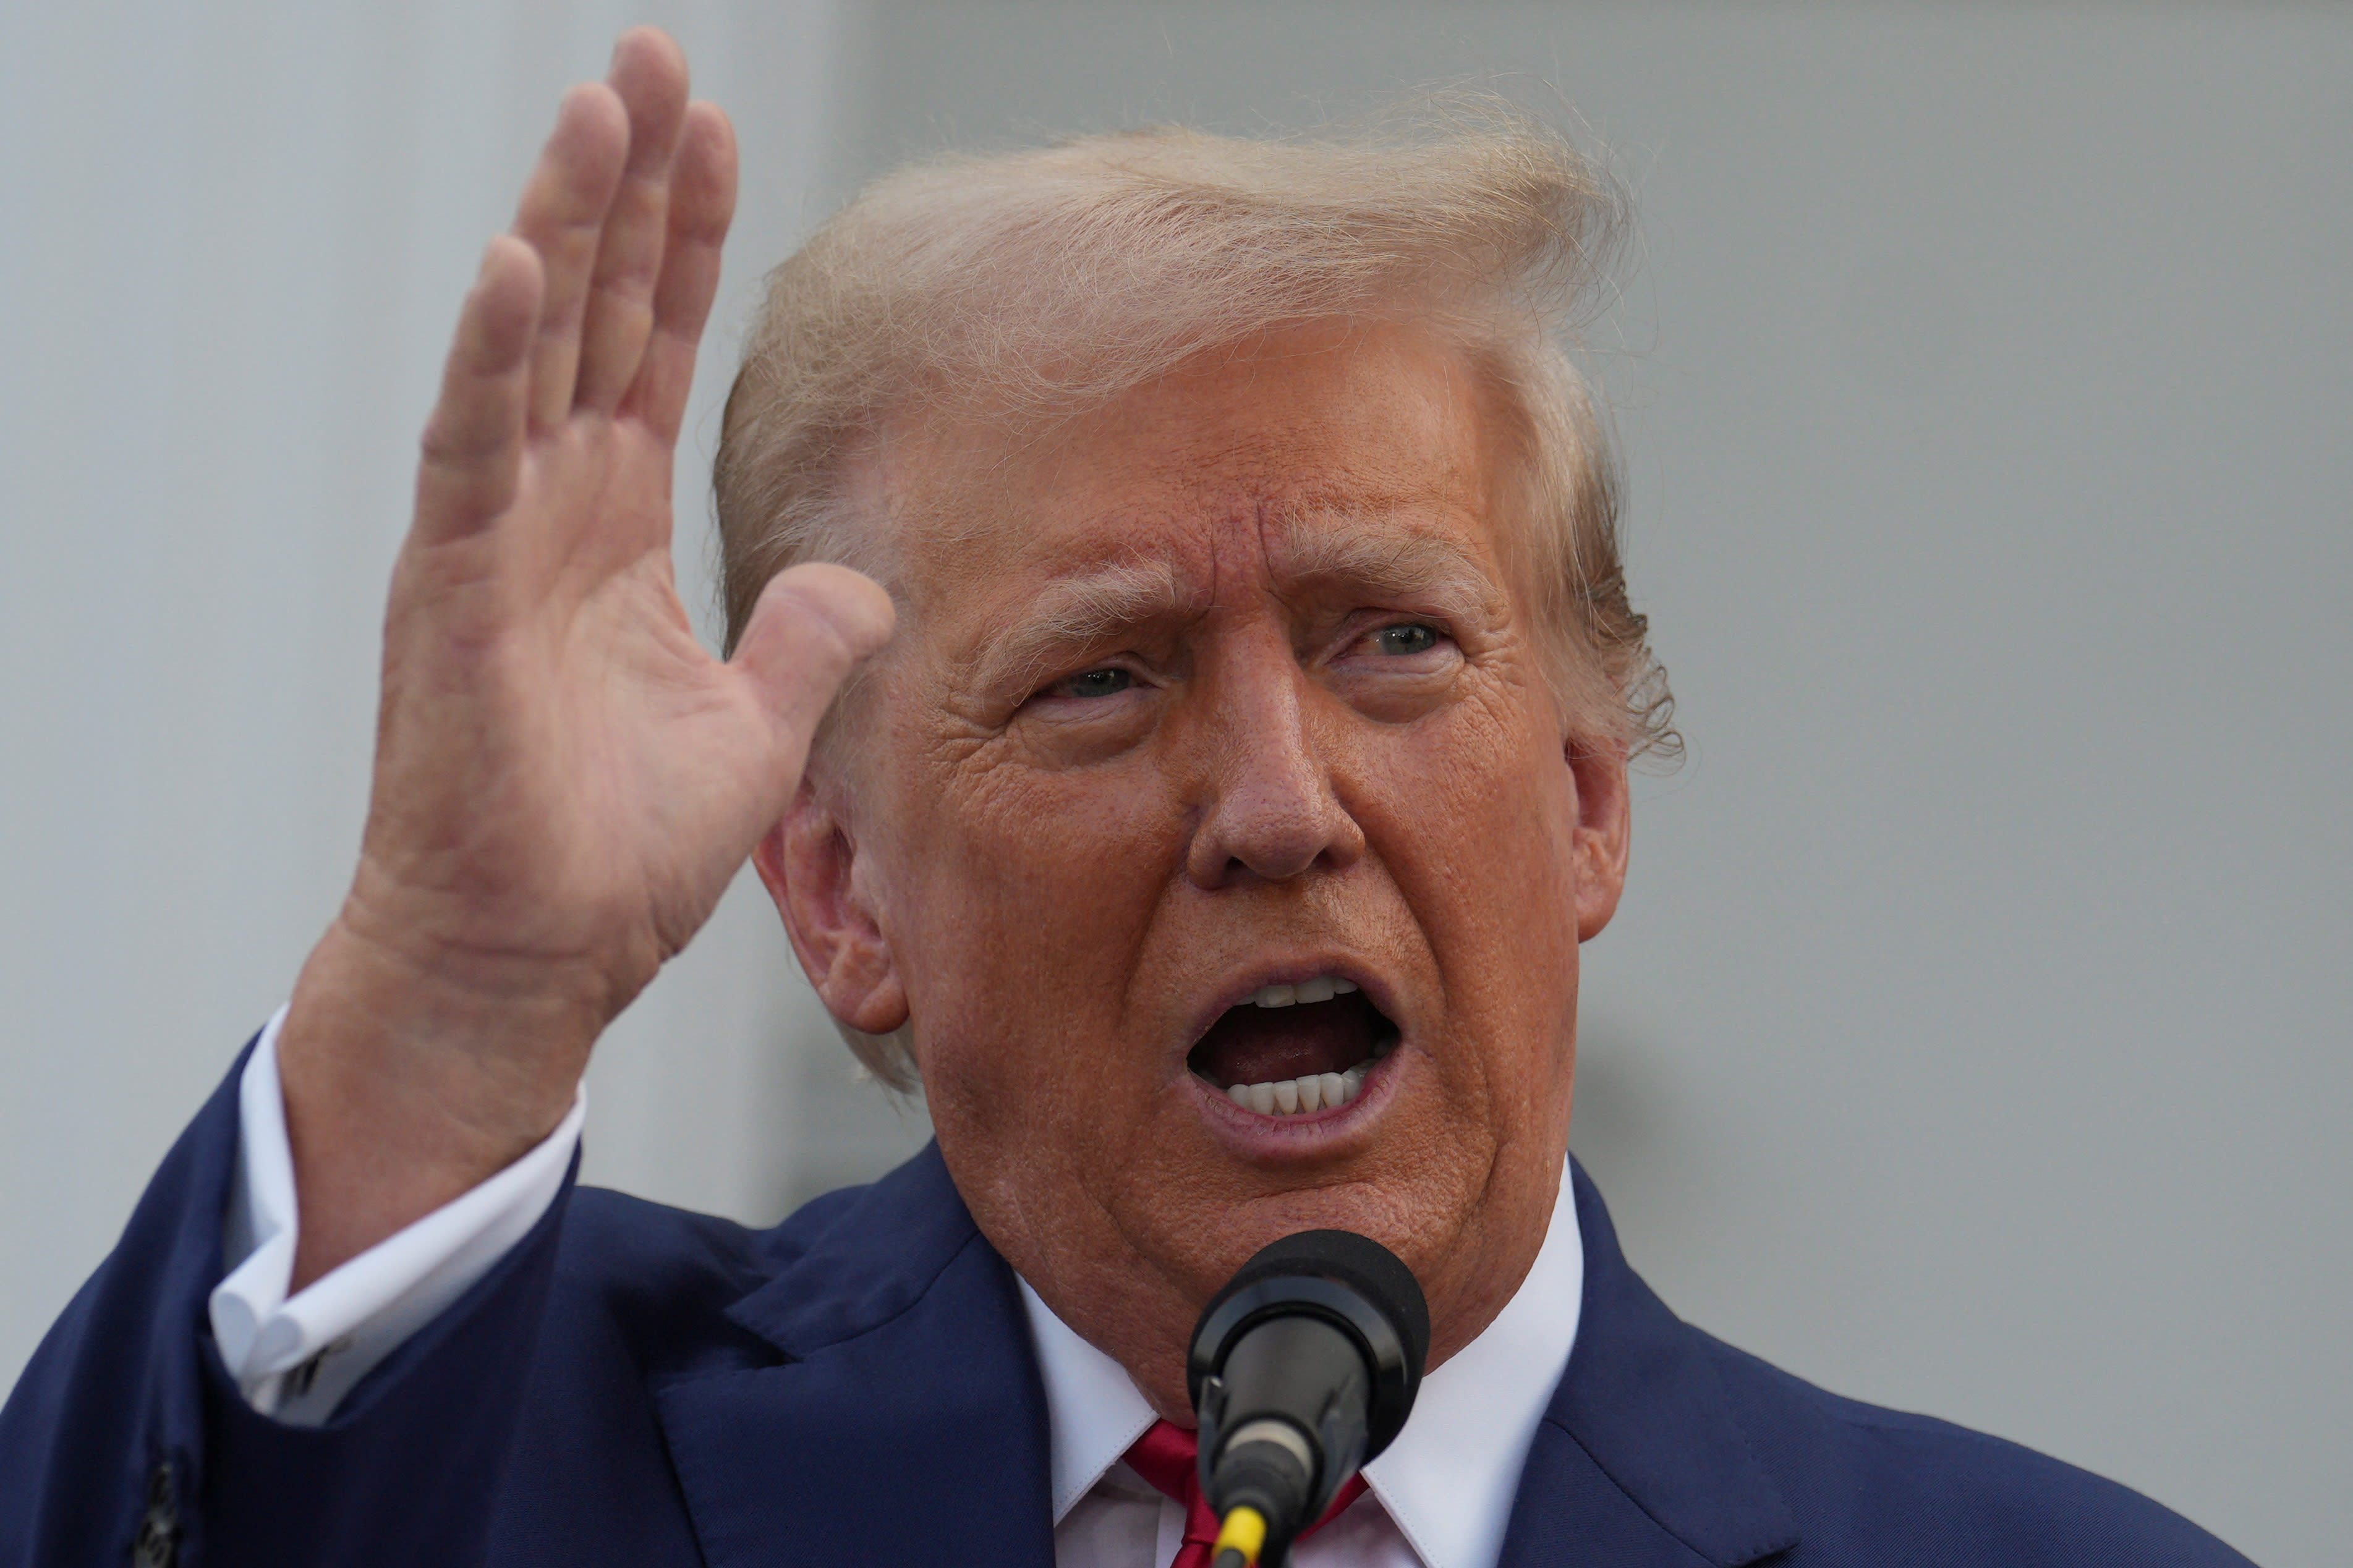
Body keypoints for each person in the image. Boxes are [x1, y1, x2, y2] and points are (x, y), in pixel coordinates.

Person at [0, 28, 2255, 1568]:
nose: (1277, 805)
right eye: (1100, 678)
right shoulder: (502, 1449)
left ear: (1586, 798)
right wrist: (450, 1001)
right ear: (842, 893)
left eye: (1393, 639)